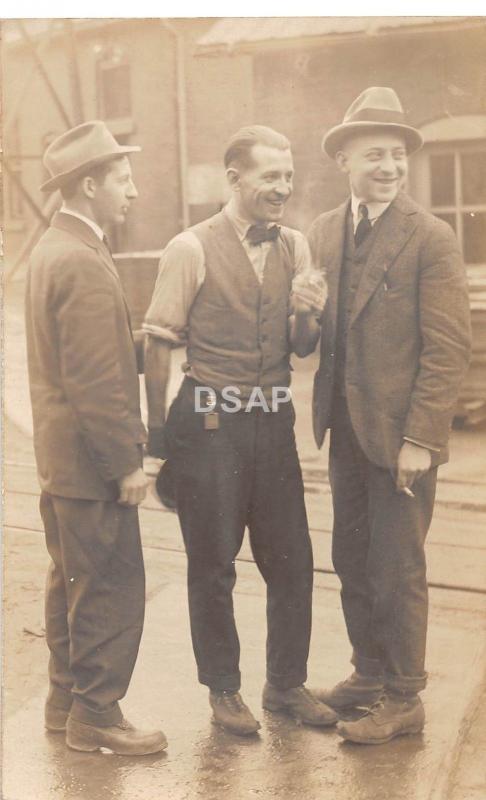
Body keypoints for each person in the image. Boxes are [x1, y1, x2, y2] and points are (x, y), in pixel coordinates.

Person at [143, 125, 336, 736]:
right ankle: (223, 690)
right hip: (209, 425)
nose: (283, 187)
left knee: (294, 561)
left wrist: (308, 312)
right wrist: (155, 438)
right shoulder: (189, 248)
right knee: (213, 563)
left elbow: (303, 350)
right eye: (269, 176)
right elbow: (156, 346)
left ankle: (285, 685)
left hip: (273, 422)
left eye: (288, 175)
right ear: (234, 178)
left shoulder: (296, 246)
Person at [297, 87, 471, 744]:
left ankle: (405, 697)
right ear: (344, 158)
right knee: (351, 557)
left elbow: (448, 346)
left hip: (402, 439)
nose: (390, 167)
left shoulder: (430, 236)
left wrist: (422, 438)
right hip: (345, 432)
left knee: (399, 565)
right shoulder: (321, 233)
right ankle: (367, 676)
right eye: (375, 154)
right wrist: (305, 310)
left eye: (397, 155)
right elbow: (306, 345)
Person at [25, 121, 167, 756]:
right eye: (123, 179)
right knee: (109, 583)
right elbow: (92, 379)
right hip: (91, 466)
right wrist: (125, 464)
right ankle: (98, 716)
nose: (133, 191)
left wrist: (148, 346)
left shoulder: (55, 249)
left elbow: (84, 355)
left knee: (73, 581)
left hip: (62, 465)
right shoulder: (81, 259)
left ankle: (65, 702)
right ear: (89, 185)